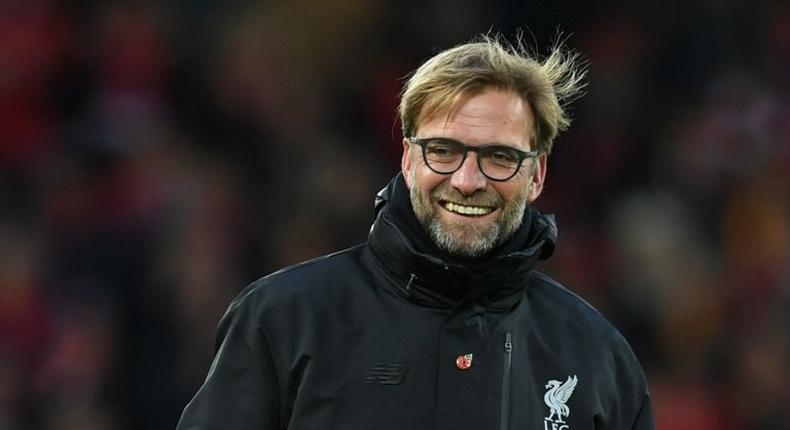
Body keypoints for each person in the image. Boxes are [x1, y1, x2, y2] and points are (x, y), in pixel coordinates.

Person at [176, 34, 655, 430]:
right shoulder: (283, 320)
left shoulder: (597, 357)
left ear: (538, 174)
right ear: (408, 159)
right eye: (443, 151)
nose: (468, 181)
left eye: (500, 157)